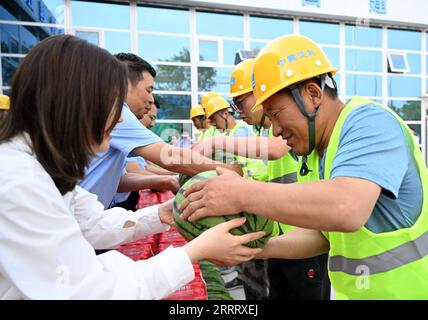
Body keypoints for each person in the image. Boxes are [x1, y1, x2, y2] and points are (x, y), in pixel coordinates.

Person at [0, 35, 264, 299]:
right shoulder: (20, 182)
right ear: (77, 101)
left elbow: (90, 222)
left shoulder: (39, 167)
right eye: (113, 101)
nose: (119, 116)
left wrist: (167, 212)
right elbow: (88, 291)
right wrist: (193, 251)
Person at [181, 34, 428, 299]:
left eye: (276, 114)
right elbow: (322, 238)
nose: (275, 130)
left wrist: (240, 193)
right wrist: (249, 248)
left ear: (313, 94)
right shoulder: (315, 154)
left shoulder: (369, 122)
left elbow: (347, 207)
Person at [79, 53, 241, 209]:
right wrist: (229, 170)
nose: (151, 99)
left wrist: (166, 181)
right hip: (79, 217)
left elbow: (119, 181)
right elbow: (170, 156)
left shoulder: (106, 111)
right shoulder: (118, 112)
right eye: (149, 90)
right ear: (125, 84)